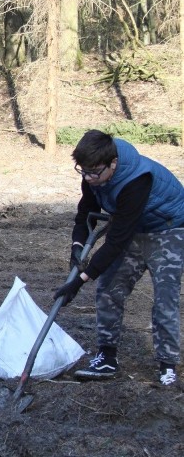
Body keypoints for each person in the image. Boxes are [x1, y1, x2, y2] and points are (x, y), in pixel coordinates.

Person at [54, 130, 184, 386]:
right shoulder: (92, 173)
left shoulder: (137, 180)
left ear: (112, 163)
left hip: (169, 229)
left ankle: (167, 366)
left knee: (164, 299)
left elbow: (115, 242)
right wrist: (76, 247)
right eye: (83, 171)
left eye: (94, 172)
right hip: (131, 227)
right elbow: (85, 214)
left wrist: (79, 281)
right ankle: (106, 357)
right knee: (108, 289)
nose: (89, 178)